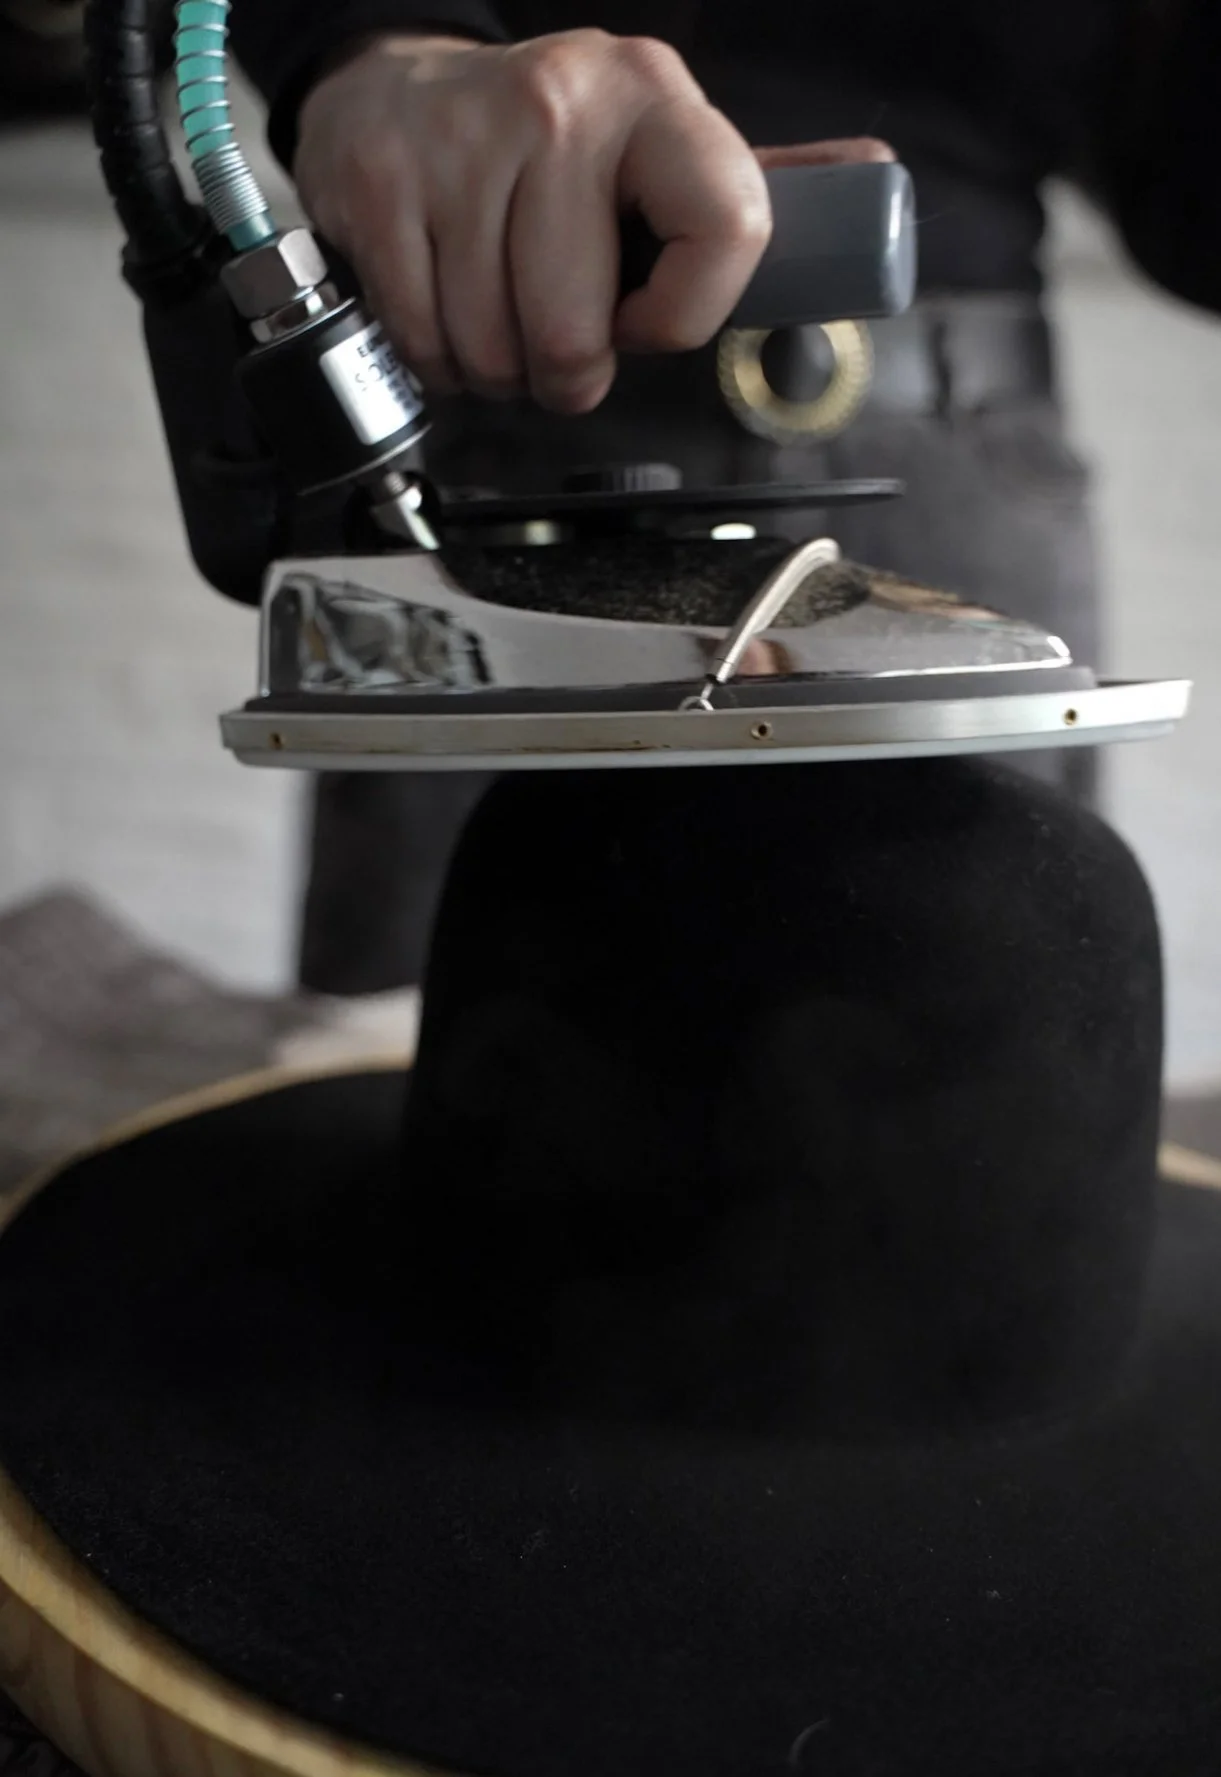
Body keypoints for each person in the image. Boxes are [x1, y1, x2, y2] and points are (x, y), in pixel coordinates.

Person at [228, 0, 1219, 998]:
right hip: (514, 411)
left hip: (954, 449)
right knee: (437, 1037)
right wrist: (372, 41)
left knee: (991, 1038)